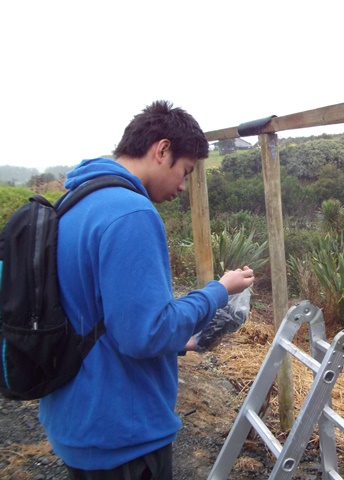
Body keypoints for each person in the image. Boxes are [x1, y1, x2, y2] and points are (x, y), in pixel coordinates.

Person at [38, 100, 255, 480]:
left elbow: (98, 316)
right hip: (121, 431)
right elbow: (146, 333)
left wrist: (182, 341)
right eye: (185, 171)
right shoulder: (131, 212)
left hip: (78, 419)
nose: (183, 186)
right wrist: (219, 291)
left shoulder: (77, 200)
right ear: (162, 150)